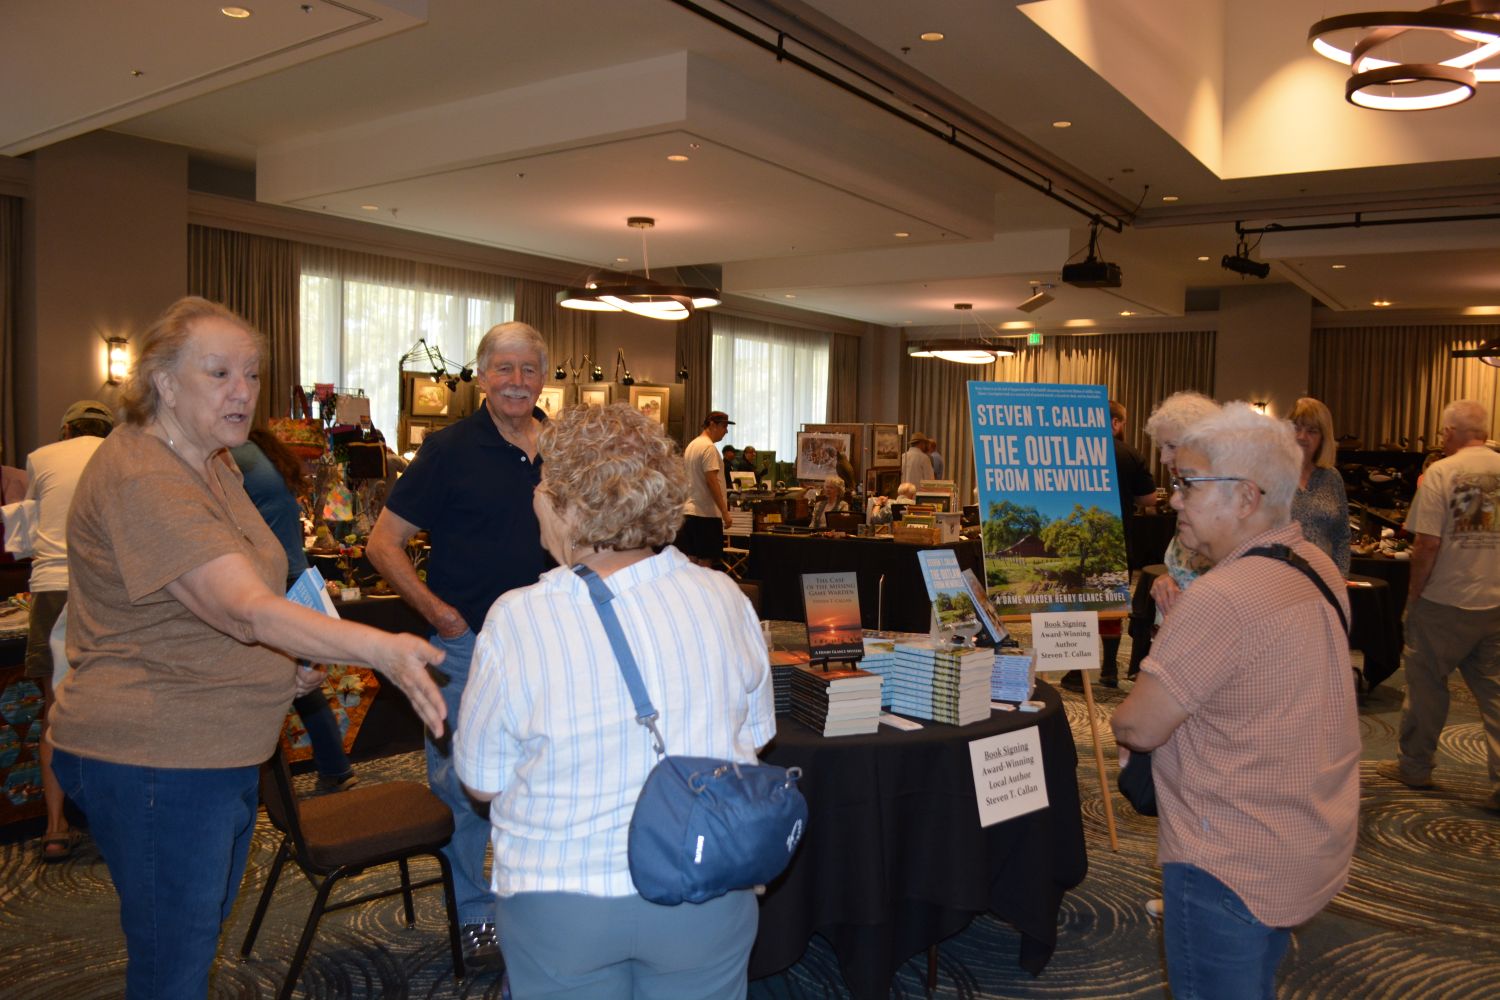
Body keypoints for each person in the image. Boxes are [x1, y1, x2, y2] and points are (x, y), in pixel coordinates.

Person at [47, 296, 447, 1000]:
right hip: (156, 755)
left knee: (190, 947)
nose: (242, 391)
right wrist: (383, 650)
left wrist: (281, 665)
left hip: (216, 748)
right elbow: (240, 608)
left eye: (253, 375)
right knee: (172, 967)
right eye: (220, 373)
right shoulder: (146, 474)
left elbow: (229, 603)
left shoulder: (214, 462)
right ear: (164, 383)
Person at [454, 402, 774, 999]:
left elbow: (481, 780)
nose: (536, 499)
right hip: (704, 887)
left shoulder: (518, 618)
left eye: (543, 483)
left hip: (562, 901)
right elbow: (754, 737)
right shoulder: (725, 597)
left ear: (567, 503)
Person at [1111, 402, 1359, 1000]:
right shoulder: (1317, 564)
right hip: (1302, 833)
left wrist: (1171, 640)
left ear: (1247, 497)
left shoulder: (1221, 598)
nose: (1173, 500)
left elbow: (1138, 726)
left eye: (1188, 484)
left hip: (1226, 856)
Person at [366, 319, 551, 972]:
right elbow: (382, 545)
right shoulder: (447, 449)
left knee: (544, 775)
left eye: (529, 368)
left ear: (543, 377)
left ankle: (532, 903)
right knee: (464, 782)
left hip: (548, 645)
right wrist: (438, 613)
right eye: (504, 368)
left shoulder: (558, 446)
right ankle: (475, 913)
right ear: (480, 376)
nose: (517, 380)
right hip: (466, 643)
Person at [1377, 400, 1500, 812]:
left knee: (1427, 688)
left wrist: (1414, 595)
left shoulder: (1441, 474)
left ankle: (1415, 767)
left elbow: (1426, 544)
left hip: (1445, 601)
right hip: (1496, 603)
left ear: (1449, 433)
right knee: (1496, 695)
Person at [231, 427, 358, 793]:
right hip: (295, 577)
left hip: (277, 581)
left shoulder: (234, 456)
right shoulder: (257, 456)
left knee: (274, 682)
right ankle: (334, 769)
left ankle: (257, 784)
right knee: (302, 684)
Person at [21, 399, 113, 863]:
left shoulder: (39, 457)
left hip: (52, 585)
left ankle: (56, 829)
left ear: (65, 431)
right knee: (114, 703)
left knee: (55, 712)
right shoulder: (121, 454)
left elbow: (27, 529)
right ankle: (115, 819)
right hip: (103, 585)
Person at [1062, 400, 1155, 689]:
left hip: (1078, 542)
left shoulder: (1072, 453)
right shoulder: (1130, 454)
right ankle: (1110, 669)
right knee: (1110, 604)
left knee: (1079, 606)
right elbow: (1148, 499)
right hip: (1115, 541)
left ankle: (1077, 672)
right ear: (1115, 423)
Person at [1289, 396, 1352, 576]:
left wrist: (1340, 578)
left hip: (1323, 581)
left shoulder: (1332, 478)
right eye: (1296, 428)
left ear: (1323, 438)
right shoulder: (1273, 475)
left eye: (1312, 431)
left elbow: (1342, 536)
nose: (1302, 437)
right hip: (1279, 581)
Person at [674, 410, 735, 568]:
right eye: (723, 426)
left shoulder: (692, 445)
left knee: (692, 560)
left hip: (689, 511)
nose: (726, 431)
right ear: (712, 425)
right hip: (705, 513)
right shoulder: (708, 448)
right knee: (705, 562)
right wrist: (725, 512)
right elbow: (712, 481)